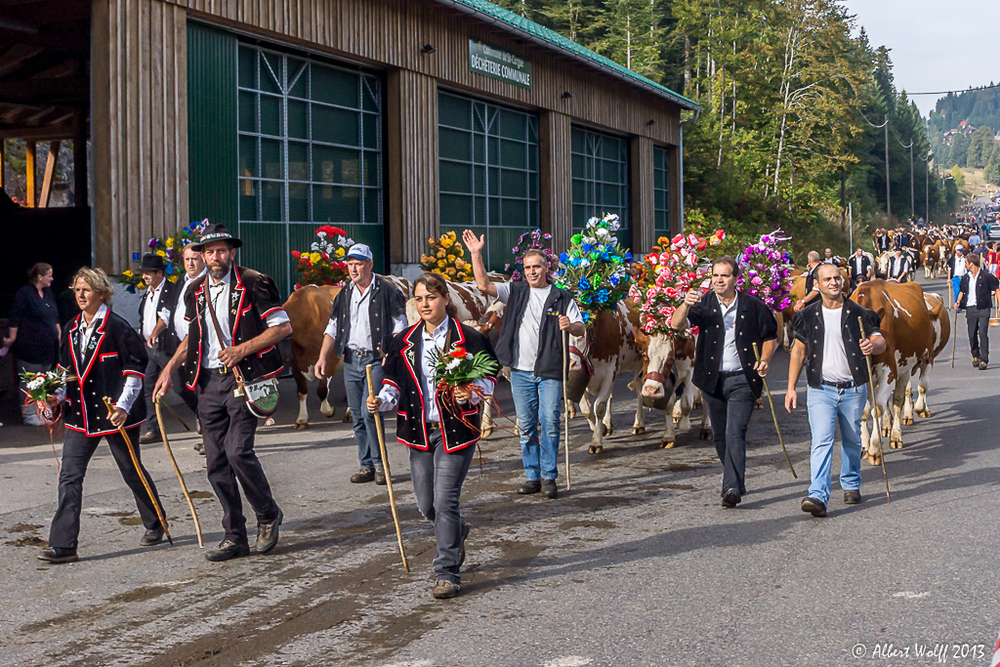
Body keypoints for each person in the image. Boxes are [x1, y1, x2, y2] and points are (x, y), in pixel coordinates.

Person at [154, 224, 290, 562]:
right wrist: (169, 370)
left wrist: (242, 349)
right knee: (215, 462)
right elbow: (193, 337)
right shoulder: (194, 291)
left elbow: (282, 327)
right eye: (210, 251)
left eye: (222, 250)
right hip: (208, 383)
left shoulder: (255, 282)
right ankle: (235, 535)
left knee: (237, 452)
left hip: (245, 379)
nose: (216, 256)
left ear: (232, 252)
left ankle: (268, 514)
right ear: (201, 255)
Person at [368, 273, 499, 600]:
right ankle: (456, 530)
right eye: (419, 299)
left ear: (445, 300)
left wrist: (472, 393)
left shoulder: (467, 337)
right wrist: (382, 400)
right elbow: (393, 382)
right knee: (427, 505)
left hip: (455, 430)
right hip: (418, 431)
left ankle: (447, 572)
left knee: (445, 501)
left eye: (431, 297)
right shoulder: (403, 341)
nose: (425, 304)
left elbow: (490, 374)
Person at [38, 268, 166, 563]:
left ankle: (156, 521)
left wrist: (122, 407)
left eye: (86, 289)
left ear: (101, 292)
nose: (80, 295)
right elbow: (64, 373)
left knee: (131, 471)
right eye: (77, 290)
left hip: (113, 415)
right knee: (69, 477)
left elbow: (134, 371)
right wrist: (52, 399)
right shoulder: (70, 328)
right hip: (80, 417)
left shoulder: (118, 327)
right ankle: (64, 545)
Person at [463, 230, 585, 499]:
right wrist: (475, 254)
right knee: (527, 423)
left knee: (550, 421)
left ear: (546, 268)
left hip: (550, 368)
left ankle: (549, 476)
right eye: (528, 267)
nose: (532, 272)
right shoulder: (515, 291)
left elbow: (580, 327)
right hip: (520, 370)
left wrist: (569, 324)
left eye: (536, 267)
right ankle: (532, 476)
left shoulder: (561, 297)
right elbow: (483, 285)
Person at [669, 256, 778, 508]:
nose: (719, 280)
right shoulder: (704, 303)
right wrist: (685, 304)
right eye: (715, 275)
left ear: (735, 279)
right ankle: (736, 479)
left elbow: (770, 335)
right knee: (719, 436)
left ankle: (729, 486)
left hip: (743, 378)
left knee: (734, 432)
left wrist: (765, 359)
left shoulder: (752, 305)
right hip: (711, 379)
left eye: (724, 275)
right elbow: (676, 324)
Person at [785, 263, 886, 518]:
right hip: (821, 389)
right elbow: (798, 351)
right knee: (822, 441)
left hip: (853, 388)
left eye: (837, 278)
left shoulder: (859, 313)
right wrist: (790, 388)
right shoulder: (807, 316)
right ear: (816, 285)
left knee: (852, 439)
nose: (834, 282)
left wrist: (872, 346)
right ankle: (818, 494)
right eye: (827, 279)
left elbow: (880, 340)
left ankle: (851, 482)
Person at [315, 243, 407, 485]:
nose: (353, 268)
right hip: (351, 359)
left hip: (376, 359)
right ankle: (366, 466)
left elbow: (400, 323)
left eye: (358, 263)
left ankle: (381, 466)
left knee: (371, 412)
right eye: (350, 264)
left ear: (370, 264)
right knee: (356, 415)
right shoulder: (345, 293)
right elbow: (332, 326)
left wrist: (392, 353)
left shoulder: (386, 290)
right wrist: (323, 356)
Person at [151, 244, 207, 453]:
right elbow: (167, 312)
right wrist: (156, 332)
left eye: (195, 259)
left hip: (201, 348)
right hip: (178, 347)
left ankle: (211, 438)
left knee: (203, 391)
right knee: (183, 388)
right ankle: (204, 421)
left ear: (203, 260)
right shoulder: (180, 283)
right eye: (187, 260)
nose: (191, 263)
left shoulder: (208, 283)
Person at [4, 263, 60, 426]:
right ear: (39, 277)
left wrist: (58, 333)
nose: (51, 278)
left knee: (43, 380)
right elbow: (15, 316)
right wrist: (12, 337)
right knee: (30, 380)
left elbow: (54, 315)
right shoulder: (25, 294)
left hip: (47, 346)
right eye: (49, 275)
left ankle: (42, 410)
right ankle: (29, 413)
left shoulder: (48, 293)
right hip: (29, 345)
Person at [135, 253, 180, 445]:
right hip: (149, 348)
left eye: (149, 273)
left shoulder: (170, 290)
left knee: (181, 385)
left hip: (165, 347)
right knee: (148, 388)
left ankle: (205, 422)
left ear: (160, 273)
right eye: (143, 273)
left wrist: (154, 332)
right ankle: (154, 429)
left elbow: (166, 316)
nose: (145, 276)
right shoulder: (148, 292)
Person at [956, 254, 1000, 371]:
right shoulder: (966, 278)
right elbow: (962, 291)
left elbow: (996, 288)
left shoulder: (986, 276)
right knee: (971, 334)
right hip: (970, 308)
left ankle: (984, 359)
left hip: (984, 308)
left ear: (972, 264)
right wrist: (958, 302)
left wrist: (999, 305)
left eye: (966, 263)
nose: (965, 265)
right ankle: (975, 355)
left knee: (982, 332)